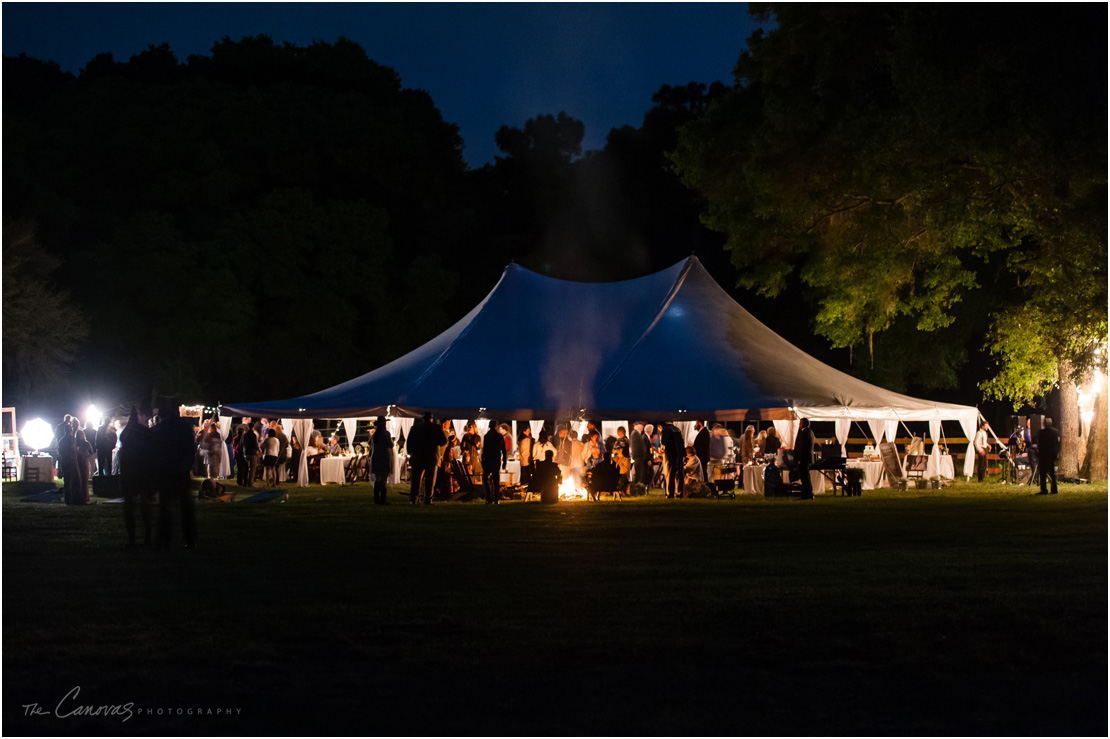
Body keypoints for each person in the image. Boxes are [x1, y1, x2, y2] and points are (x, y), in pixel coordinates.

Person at [151, 401, 198, 548]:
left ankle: (164, 539)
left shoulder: (162, 428)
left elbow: (157, 452)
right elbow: (191, 449)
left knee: (166, 507)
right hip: (180, 470)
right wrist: (187, 466)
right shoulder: (183, 427)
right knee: (185, 507)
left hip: (167, 470)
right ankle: (189, 539)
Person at [119, 407, 154, 546]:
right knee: (144, 505)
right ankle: (147, 535)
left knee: (130, 506)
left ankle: (132, 537)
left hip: (129, 473)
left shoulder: (126, 434)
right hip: (141, 473)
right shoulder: (144, 433)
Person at [407, 412, 447, 504]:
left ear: (423, 419)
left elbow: (409, 443)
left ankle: (414, 498)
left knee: (416, 480)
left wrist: (411, 454)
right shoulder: (436, 428)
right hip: (432, 457)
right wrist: (435, 443)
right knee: (430, 480)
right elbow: (443, 441)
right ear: (431, 419)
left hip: (417, 457)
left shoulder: (415, 428)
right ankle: (428, 499)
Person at [482, 420, 508, 504]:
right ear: (495, 426)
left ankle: (488, 498)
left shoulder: (487, 436)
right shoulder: (499, 436)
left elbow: (485, 450)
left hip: (488, 459)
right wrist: (504, 461)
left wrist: (483, 460)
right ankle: (495, 498)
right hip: (496, 459)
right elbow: (503, 450)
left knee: (485, 478)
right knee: (496, 479)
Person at [369, 417, 394, 504]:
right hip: (384, 457)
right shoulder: (386, 434)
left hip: (376, 457)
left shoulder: (375, 435)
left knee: (377, 478)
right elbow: (390, 445)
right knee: (383, 478)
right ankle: (382, 499)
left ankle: (376, 499)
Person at [57, 419, 80, 505]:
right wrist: (78, 450)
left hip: (64, 461)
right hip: (72, 461)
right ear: (70, 430)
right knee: (74, 480)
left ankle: (68, 498)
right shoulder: (72, 439)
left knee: (67, 481)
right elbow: (73, 449)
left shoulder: (61, 440)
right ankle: (74, 498)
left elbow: (59, 452)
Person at [660, 421, 685, 498]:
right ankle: (679, 492)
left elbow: (664, 443)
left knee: (670, 474)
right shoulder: (677, 429)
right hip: (679, 454)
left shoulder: (666, 430)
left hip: (670, 454)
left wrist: (662, 449)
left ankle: (670, 493)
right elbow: (682, 442)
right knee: (679, 474)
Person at [1036, 417, 1060, 495]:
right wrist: (1056, 453)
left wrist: (1039, 453)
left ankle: (1044, 490)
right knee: (1052, 473)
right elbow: (1057, 444)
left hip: (1044, 455)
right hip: (1051, 455)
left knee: (1043, 473)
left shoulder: (1042, 433)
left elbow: (1040, 444)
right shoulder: (1055, 432)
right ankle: (1054, 489)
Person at [795, 418, 815, 499]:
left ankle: (807, 493)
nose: (799, 425)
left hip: (804, 458)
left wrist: (799, 458)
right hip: (806, 458)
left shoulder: (805, 433)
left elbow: (802, 447)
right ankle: (808, 493)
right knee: (805, 476)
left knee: (804, 476)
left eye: (800, 423)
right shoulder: (809, 432)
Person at [74, 428, 94, 504]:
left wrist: (86, 456)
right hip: (77, 463)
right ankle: (78, 497)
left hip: (84, 463)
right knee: (78, 480)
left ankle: (85, 497)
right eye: (78, 435)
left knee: (84, 480)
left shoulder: (86, 443)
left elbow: (91, 453)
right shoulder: (75, 443)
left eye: (80, 435)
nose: (79, 436)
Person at [629, 422, 649, 489]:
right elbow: (635, 446)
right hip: (638, 455)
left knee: (639, 471)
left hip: (639, 456)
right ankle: (637, 485)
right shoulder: (635, 433)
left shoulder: (637, 434)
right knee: (638, 472)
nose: (643, 427)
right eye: (642, 426)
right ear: (638, 426)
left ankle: (638, 485)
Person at [241, 422, 261, 487]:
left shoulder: (244, 435)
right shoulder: (253, 435)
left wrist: (243, 450)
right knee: (252, 469)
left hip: (245, 453)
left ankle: (245, 482)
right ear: (253, 427)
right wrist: (258, 449)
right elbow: (255, 444)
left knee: (245, 468)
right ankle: (250, 483)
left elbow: (241, 444)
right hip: (252, 453)